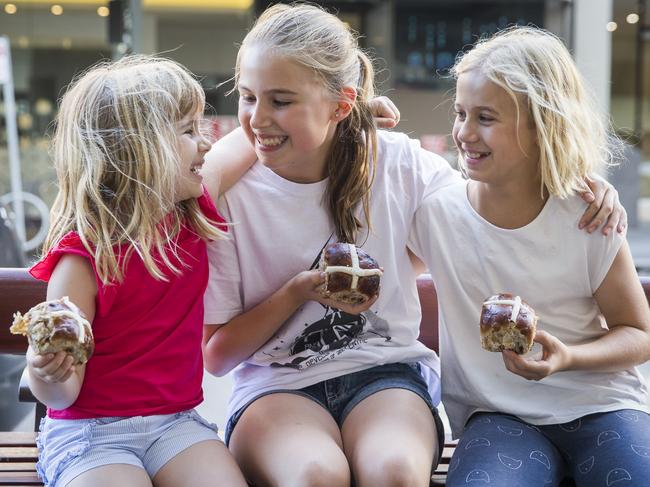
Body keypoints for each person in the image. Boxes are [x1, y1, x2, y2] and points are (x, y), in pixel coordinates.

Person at [201, 5, 625, 486]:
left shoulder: (400, 164)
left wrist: (569, 179)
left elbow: (486, 206)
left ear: (342, 105)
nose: (258, 118)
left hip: (386, 375)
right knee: (315, 475)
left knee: (396, 471)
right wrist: (298, 291)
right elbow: (216, 357)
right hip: (275, 387)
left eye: (280, 101)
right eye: (248, 97)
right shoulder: (230, 194)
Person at [408, 26, 650, 486]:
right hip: (499, 418)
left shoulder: (589, 219)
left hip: (602, 406)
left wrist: (568, 359)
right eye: (461, 113)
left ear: (543, 126)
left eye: (485, 117)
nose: (463, 132)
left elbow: (638, 333)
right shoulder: (435, 214)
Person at [25, 55, 250, 487]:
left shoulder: (192, 211)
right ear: (138, 151)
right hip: (91, 434)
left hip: (176, 426)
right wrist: (43, 370)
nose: (206, 143)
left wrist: (345, 115)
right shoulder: (82, 261)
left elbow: (253, 139)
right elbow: (64, 393)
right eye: (188, 131)